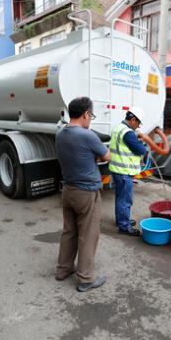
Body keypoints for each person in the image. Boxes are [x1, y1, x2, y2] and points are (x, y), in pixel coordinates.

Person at [55, 97, 110, 292]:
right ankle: (86, 278)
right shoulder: (88, 135)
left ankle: (63, 269)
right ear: (86, 114)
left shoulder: (60, 134)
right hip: (87, 193)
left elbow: (77, 155)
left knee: (69, 231)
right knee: (88, 235)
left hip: (68, 190)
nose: (91, 120)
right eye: (91, 115)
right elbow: (106, 156)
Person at [108, 107, 150, 236]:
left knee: (120, 197)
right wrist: (144, 144)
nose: (138, 127)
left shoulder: (118, 128)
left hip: (117, 169)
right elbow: (141, 150)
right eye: (138, 123)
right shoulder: (128, 132)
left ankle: (121, 220)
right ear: (132, 120)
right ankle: (124, 227)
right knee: (125, 199)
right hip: (124, 171)